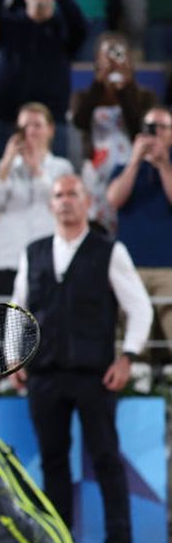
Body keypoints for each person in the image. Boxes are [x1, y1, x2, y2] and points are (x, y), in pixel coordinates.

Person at [9, 174, 153, 543]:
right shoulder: (33, 252)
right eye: (59, 195)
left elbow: (140, 308)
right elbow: (17, 311)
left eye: (73, 194)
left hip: (95, 375)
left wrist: (126, 357)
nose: (66, 201)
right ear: (50, 204)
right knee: (54, 464)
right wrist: (15, 360)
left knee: (106, 459)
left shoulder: (110, 251)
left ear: (87, 202)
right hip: (44, 375)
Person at [0, 0, 86, 164]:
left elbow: (81, 28)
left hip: (52, 124)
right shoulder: (9, 24)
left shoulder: (64, 29)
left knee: (55, 185)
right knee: (2, 178)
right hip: (9, 121)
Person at [0, 103, 75, 295]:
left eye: (37, 125)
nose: (30, 131)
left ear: (50, 129)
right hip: (6, 258)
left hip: (47, 259)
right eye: (24, 127)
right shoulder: (5, 166)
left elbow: (62, 205)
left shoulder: (62, 168)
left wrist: (37, 171)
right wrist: (7, 162)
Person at [71, 34, 157, 231]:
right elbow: (80, 121)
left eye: (118, 53)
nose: (113, 60)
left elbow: (139, 128)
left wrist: (124, 91)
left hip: (131, 169)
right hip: (95, 172)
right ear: (97, 59)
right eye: (107, 53)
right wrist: (99, 84)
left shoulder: (145, 97)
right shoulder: (83, 95)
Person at [107, 106, 172, 361]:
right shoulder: (124, 167)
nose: (155, 133)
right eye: (150, 127)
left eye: (162, 127)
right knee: (133, 335)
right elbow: (113, 199)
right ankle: (135, 383)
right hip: (129, 266)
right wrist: (135, 160)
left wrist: (163, 165)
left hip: (168, 266)